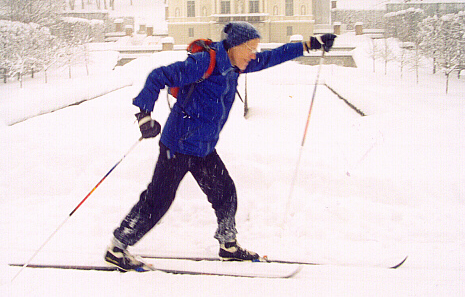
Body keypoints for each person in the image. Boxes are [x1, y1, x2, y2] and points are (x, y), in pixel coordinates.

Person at [105, 22, 336, 271]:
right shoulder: (205, 63)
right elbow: (158, 76)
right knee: (157, 201)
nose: (253, 54)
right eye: (249, 48)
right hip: (178, 146)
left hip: (204, 149)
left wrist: (309, 45)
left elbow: (272, 56)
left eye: (254, 48)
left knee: (225, 193)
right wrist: (144, 115)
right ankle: (117, 249)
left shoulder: (236, 66)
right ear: (235, 46)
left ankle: (228, 246)